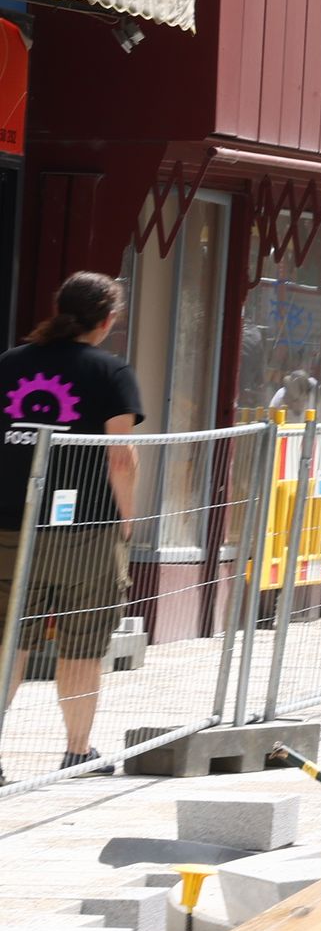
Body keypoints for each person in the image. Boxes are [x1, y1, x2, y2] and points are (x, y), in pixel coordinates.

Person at [0, 273, 145, 777]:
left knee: (7, 643)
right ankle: (78, 751)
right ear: (107, 321)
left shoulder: (8, 365)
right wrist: (129, 522)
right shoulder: (111, 372)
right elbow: (120, 457)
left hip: (9, 531)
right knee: (82, 645)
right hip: (87, 531)